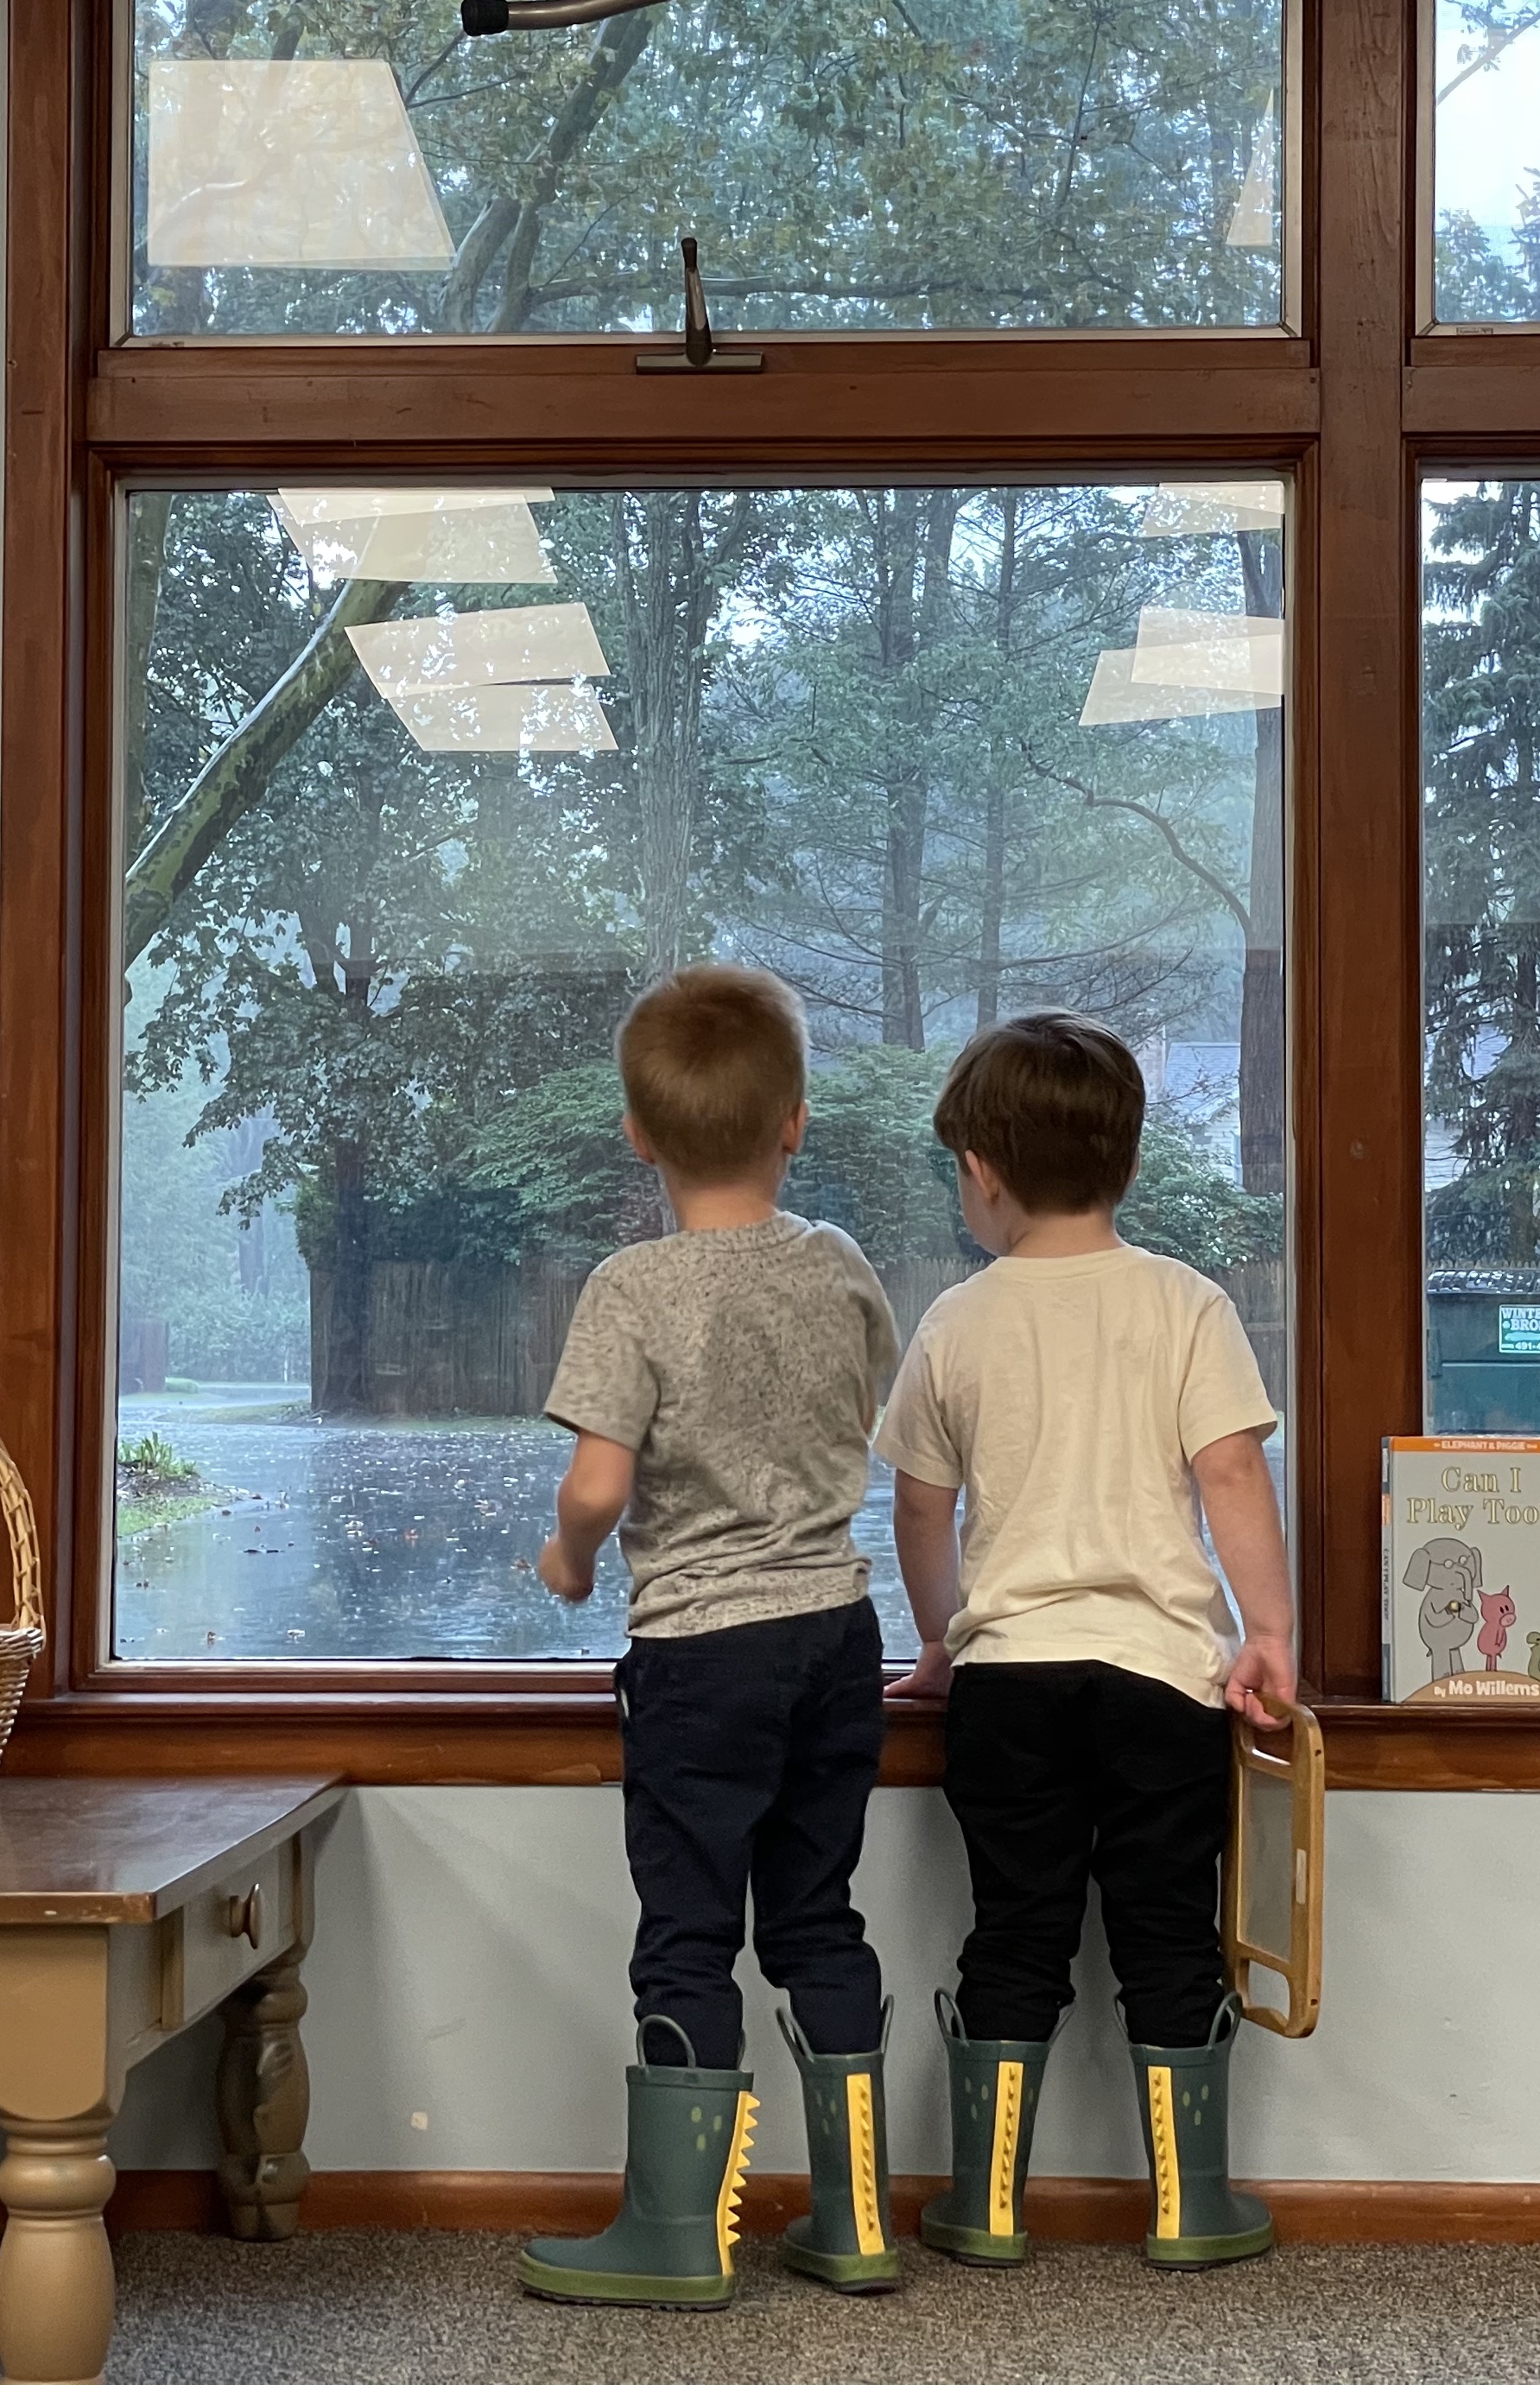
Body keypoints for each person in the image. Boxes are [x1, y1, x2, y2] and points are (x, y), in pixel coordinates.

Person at [876, 1010, 1295, 2273]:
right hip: (1165, 1680)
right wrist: (1266, 1631)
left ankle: (988, 2209)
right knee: (1168, 1931)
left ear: (985, 1176)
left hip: (1009, 1683)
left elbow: (917, 1501)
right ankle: (1191, 2210)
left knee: (1016, 1931)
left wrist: (945, 1643)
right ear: (1124, 1158)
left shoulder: (958, 1320)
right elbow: (1229, 1473)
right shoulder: (1184, 1302)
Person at [517, 961, 905, 2310]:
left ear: (638, 1132)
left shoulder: (630, 1289)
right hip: (836, 1636)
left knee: (689, 1928)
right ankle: (855, 2224)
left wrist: (570, 1559)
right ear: (793, 1120)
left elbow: (602, 1486)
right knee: (820, 1921)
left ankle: (679, 2237)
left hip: (698, 1651)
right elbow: (868, 1406)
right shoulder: (841, 1264)